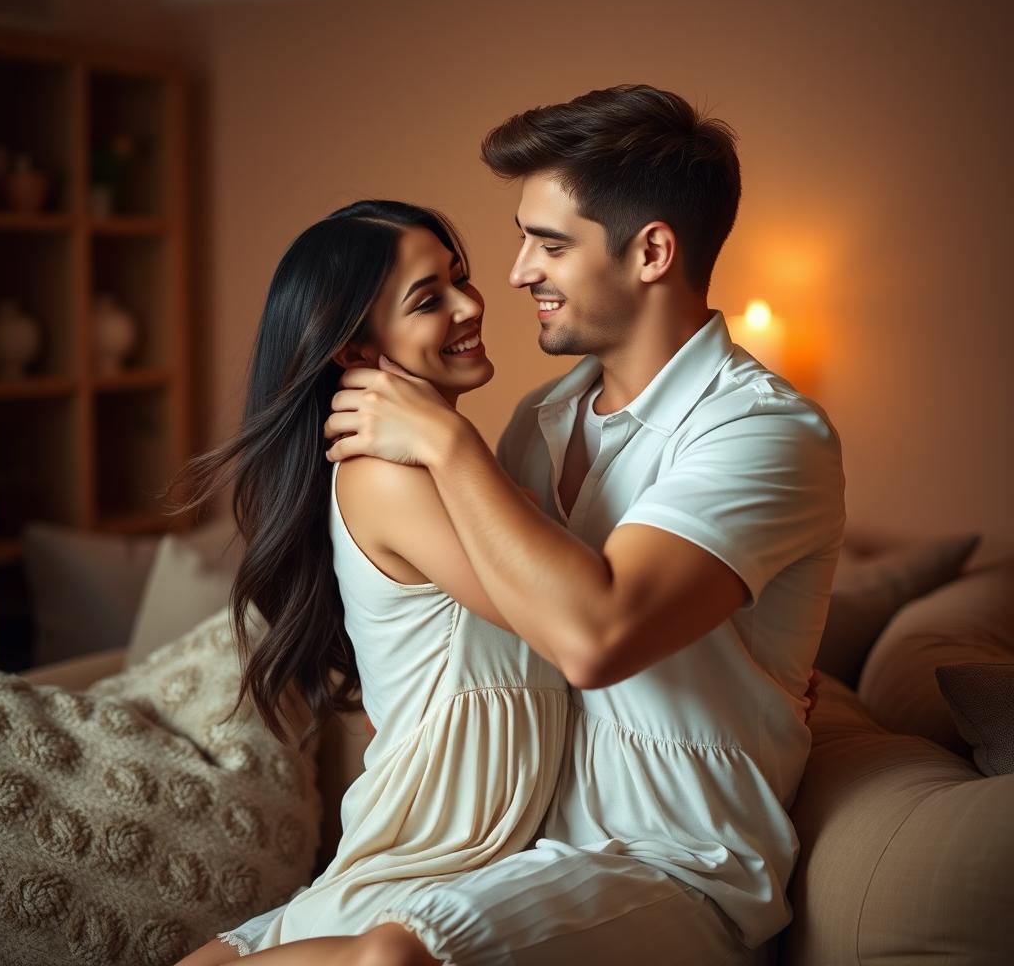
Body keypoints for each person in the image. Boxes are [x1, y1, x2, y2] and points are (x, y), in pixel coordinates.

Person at [323, 85, 847, 965]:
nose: (519, 270)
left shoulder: (765, 433)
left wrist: (450, 445)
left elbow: (594, 637)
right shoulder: (542, 417)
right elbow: (502, 613)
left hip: (669, 869)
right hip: (507, 847)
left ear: (651, 251)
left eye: (550, 243)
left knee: (395, 957)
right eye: (524, 237)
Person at [174, 201, 568, 966]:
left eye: (460, 279)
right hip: (426, 851)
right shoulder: (384, 476)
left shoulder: (460, 467)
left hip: (466, 859)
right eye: (429, 299)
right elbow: (559, 616)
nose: (469, 305)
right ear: (354, 347)